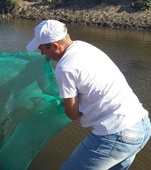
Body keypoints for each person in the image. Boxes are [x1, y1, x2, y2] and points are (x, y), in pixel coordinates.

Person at [26, 20, 151, 169]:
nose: (41, 53)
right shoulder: (84, 47)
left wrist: (55, 106)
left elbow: (73, 114)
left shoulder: (65, 67)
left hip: (117, 133)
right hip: (141, 125)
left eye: (42, 48)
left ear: (54, 46)